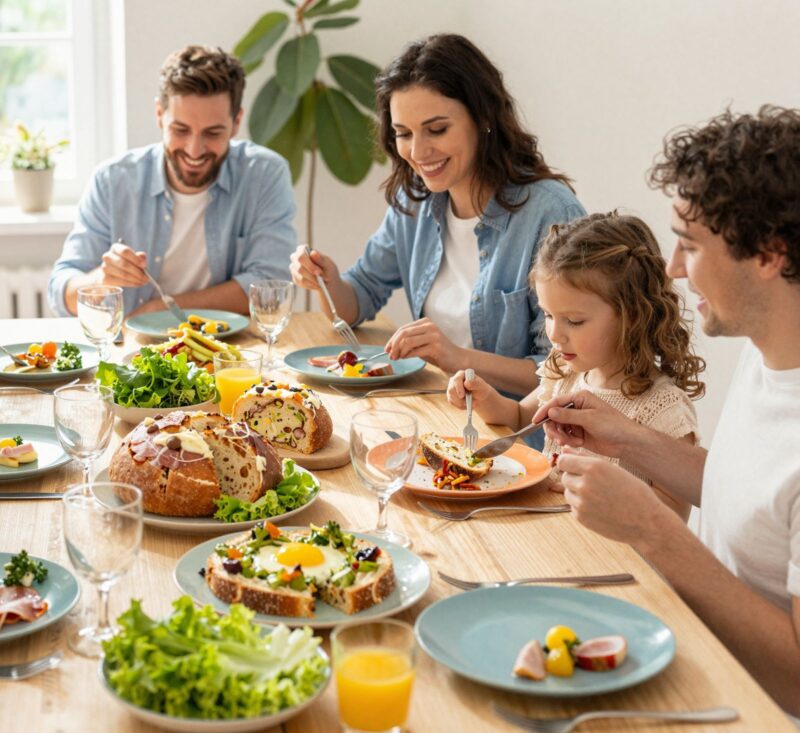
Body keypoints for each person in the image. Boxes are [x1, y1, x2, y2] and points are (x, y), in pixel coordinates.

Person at [537, 106, 800, 717]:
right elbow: (754, 500)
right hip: (696, 653)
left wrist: (651, 530)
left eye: (688, 246)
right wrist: (626, 438)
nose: (675, 270)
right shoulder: (770, 357)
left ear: (767, 253)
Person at [289, 33, 586, 398]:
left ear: (483, 119)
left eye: (437, 129)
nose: (418, 151)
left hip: (517, 437)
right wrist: (327, 280)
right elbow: (357, 301)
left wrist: (456, 357)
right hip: (439, 411)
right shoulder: (414, 201)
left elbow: (567, 371)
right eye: (403, 133)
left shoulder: (551, 213)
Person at [447, 212, 703, 516]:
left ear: (632, 315)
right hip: (558, 535)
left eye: (574, 321)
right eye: (549, 315)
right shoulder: (567, 372)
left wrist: (612, 498)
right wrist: (483, 396)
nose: (554, 333)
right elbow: (517, 417)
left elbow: (675, 515)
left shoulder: (663, 408)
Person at [49, 45, 296, 319]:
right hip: (133, 349)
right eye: (180, 130)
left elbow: (270, 286)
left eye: (213, 133)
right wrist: (101, 280)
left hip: (227, 349)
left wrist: (162, 309)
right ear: (159, 114)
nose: (194, 150)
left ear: (236, 122)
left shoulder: (264, 174)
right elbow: (61, 293)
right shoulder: (112, 180)